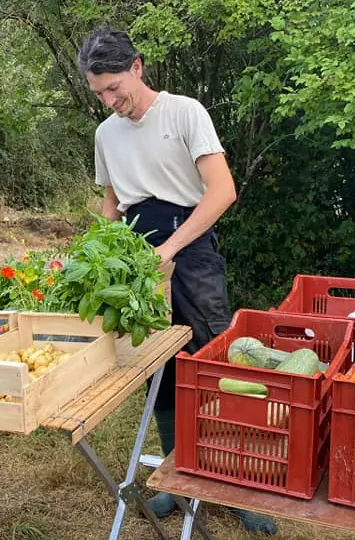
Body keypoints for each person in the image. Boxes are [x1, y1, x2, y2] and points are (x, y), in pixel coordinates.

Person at [77, 26, 278, 535]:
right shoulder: (105, 134)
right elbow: (111, 205)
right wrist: (103, 258)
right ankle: (175, 477)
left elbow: (222, 191)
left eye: (114, 87)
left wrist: (171, 248)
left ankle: (237, 485)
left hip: (190, 250)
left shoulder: (184, 112)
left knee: (214, 365)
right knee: (159, 369)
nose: (109, 100)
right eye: (98, 92)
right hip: (138, 261)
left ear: (138, 67)